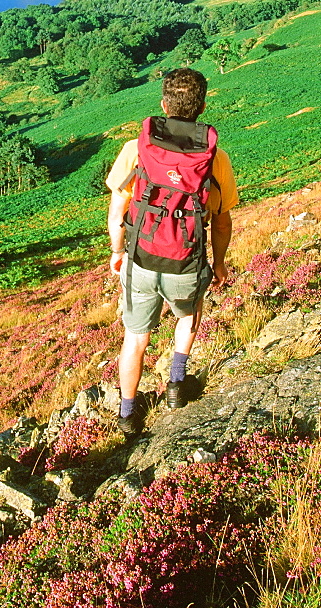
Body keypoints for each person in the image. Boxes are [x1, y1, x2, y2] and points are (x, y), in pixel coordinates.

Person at [106, 68, 238, 439]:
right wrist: (220, 262)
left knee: (135, 338)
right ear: (202, 106)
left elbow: (118, 208)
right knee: (188, 314)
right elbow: (222, 219)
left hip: (141, 258)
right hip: (187, 262)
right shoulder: (215, 159)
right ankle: (177, 384)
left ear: (164, 104)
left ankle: (128, 414)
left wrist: (118, 250)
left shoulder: (136, 150)